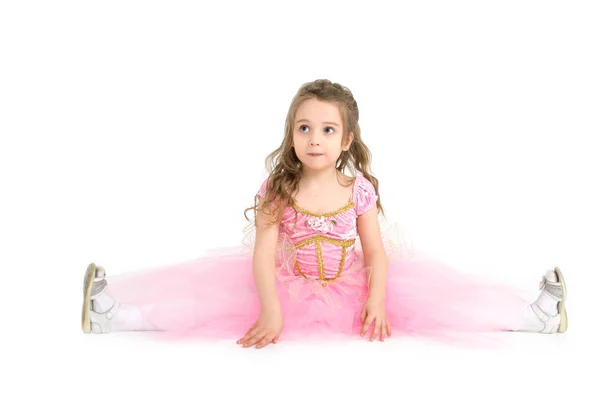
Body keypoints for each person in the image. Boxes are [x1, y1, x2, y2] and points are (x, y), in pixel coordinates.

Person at [81, 79, 568, 349]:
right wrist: (271, 306)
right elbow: (264, 254)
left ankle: (534, 317)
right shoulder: (278, 187)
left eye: (329, 130)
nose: (316, 138)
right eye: (305, 127)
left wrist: (376, 298)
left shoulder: (357, 191)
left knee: (443, 306)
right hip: (288, 283)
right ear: (291, 135)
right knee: (206, 304)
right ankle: (114, 316)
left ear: (347, 140)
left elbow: (375, 253)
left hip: (354, 286)